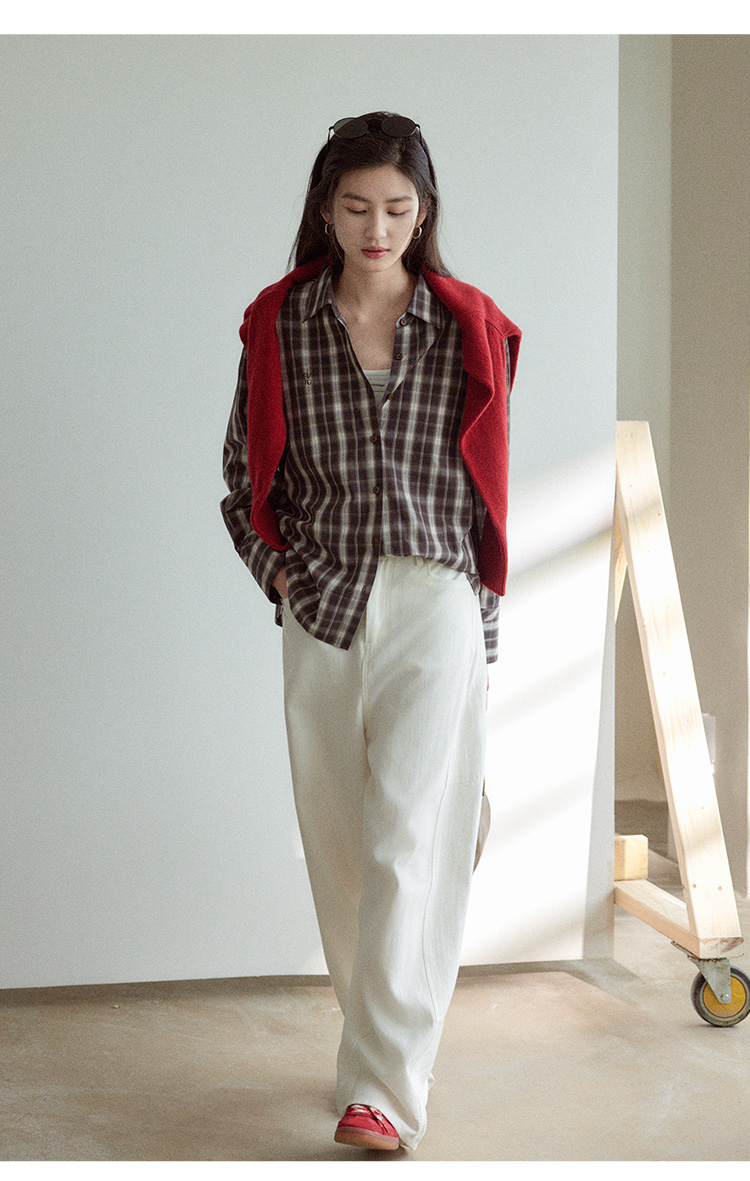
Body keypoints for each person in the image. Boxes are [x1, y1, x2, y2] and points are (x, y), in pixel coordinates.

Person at [221, 112, 521, 1153]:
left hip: (435, 597)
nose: (377, 227)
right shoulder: (279, 324)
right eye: (356, 206)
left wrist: (483, 638)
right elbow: (241, 481)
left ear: (425, 211)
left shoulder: (472, 326)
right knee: (341, 845)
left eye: (398, 207)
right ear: (325, 209)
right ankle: (375, 1043)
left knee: (405, 839)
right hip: (326, 603)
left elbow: (489, 499)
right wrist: (282, 577)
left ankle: (385, 1089)